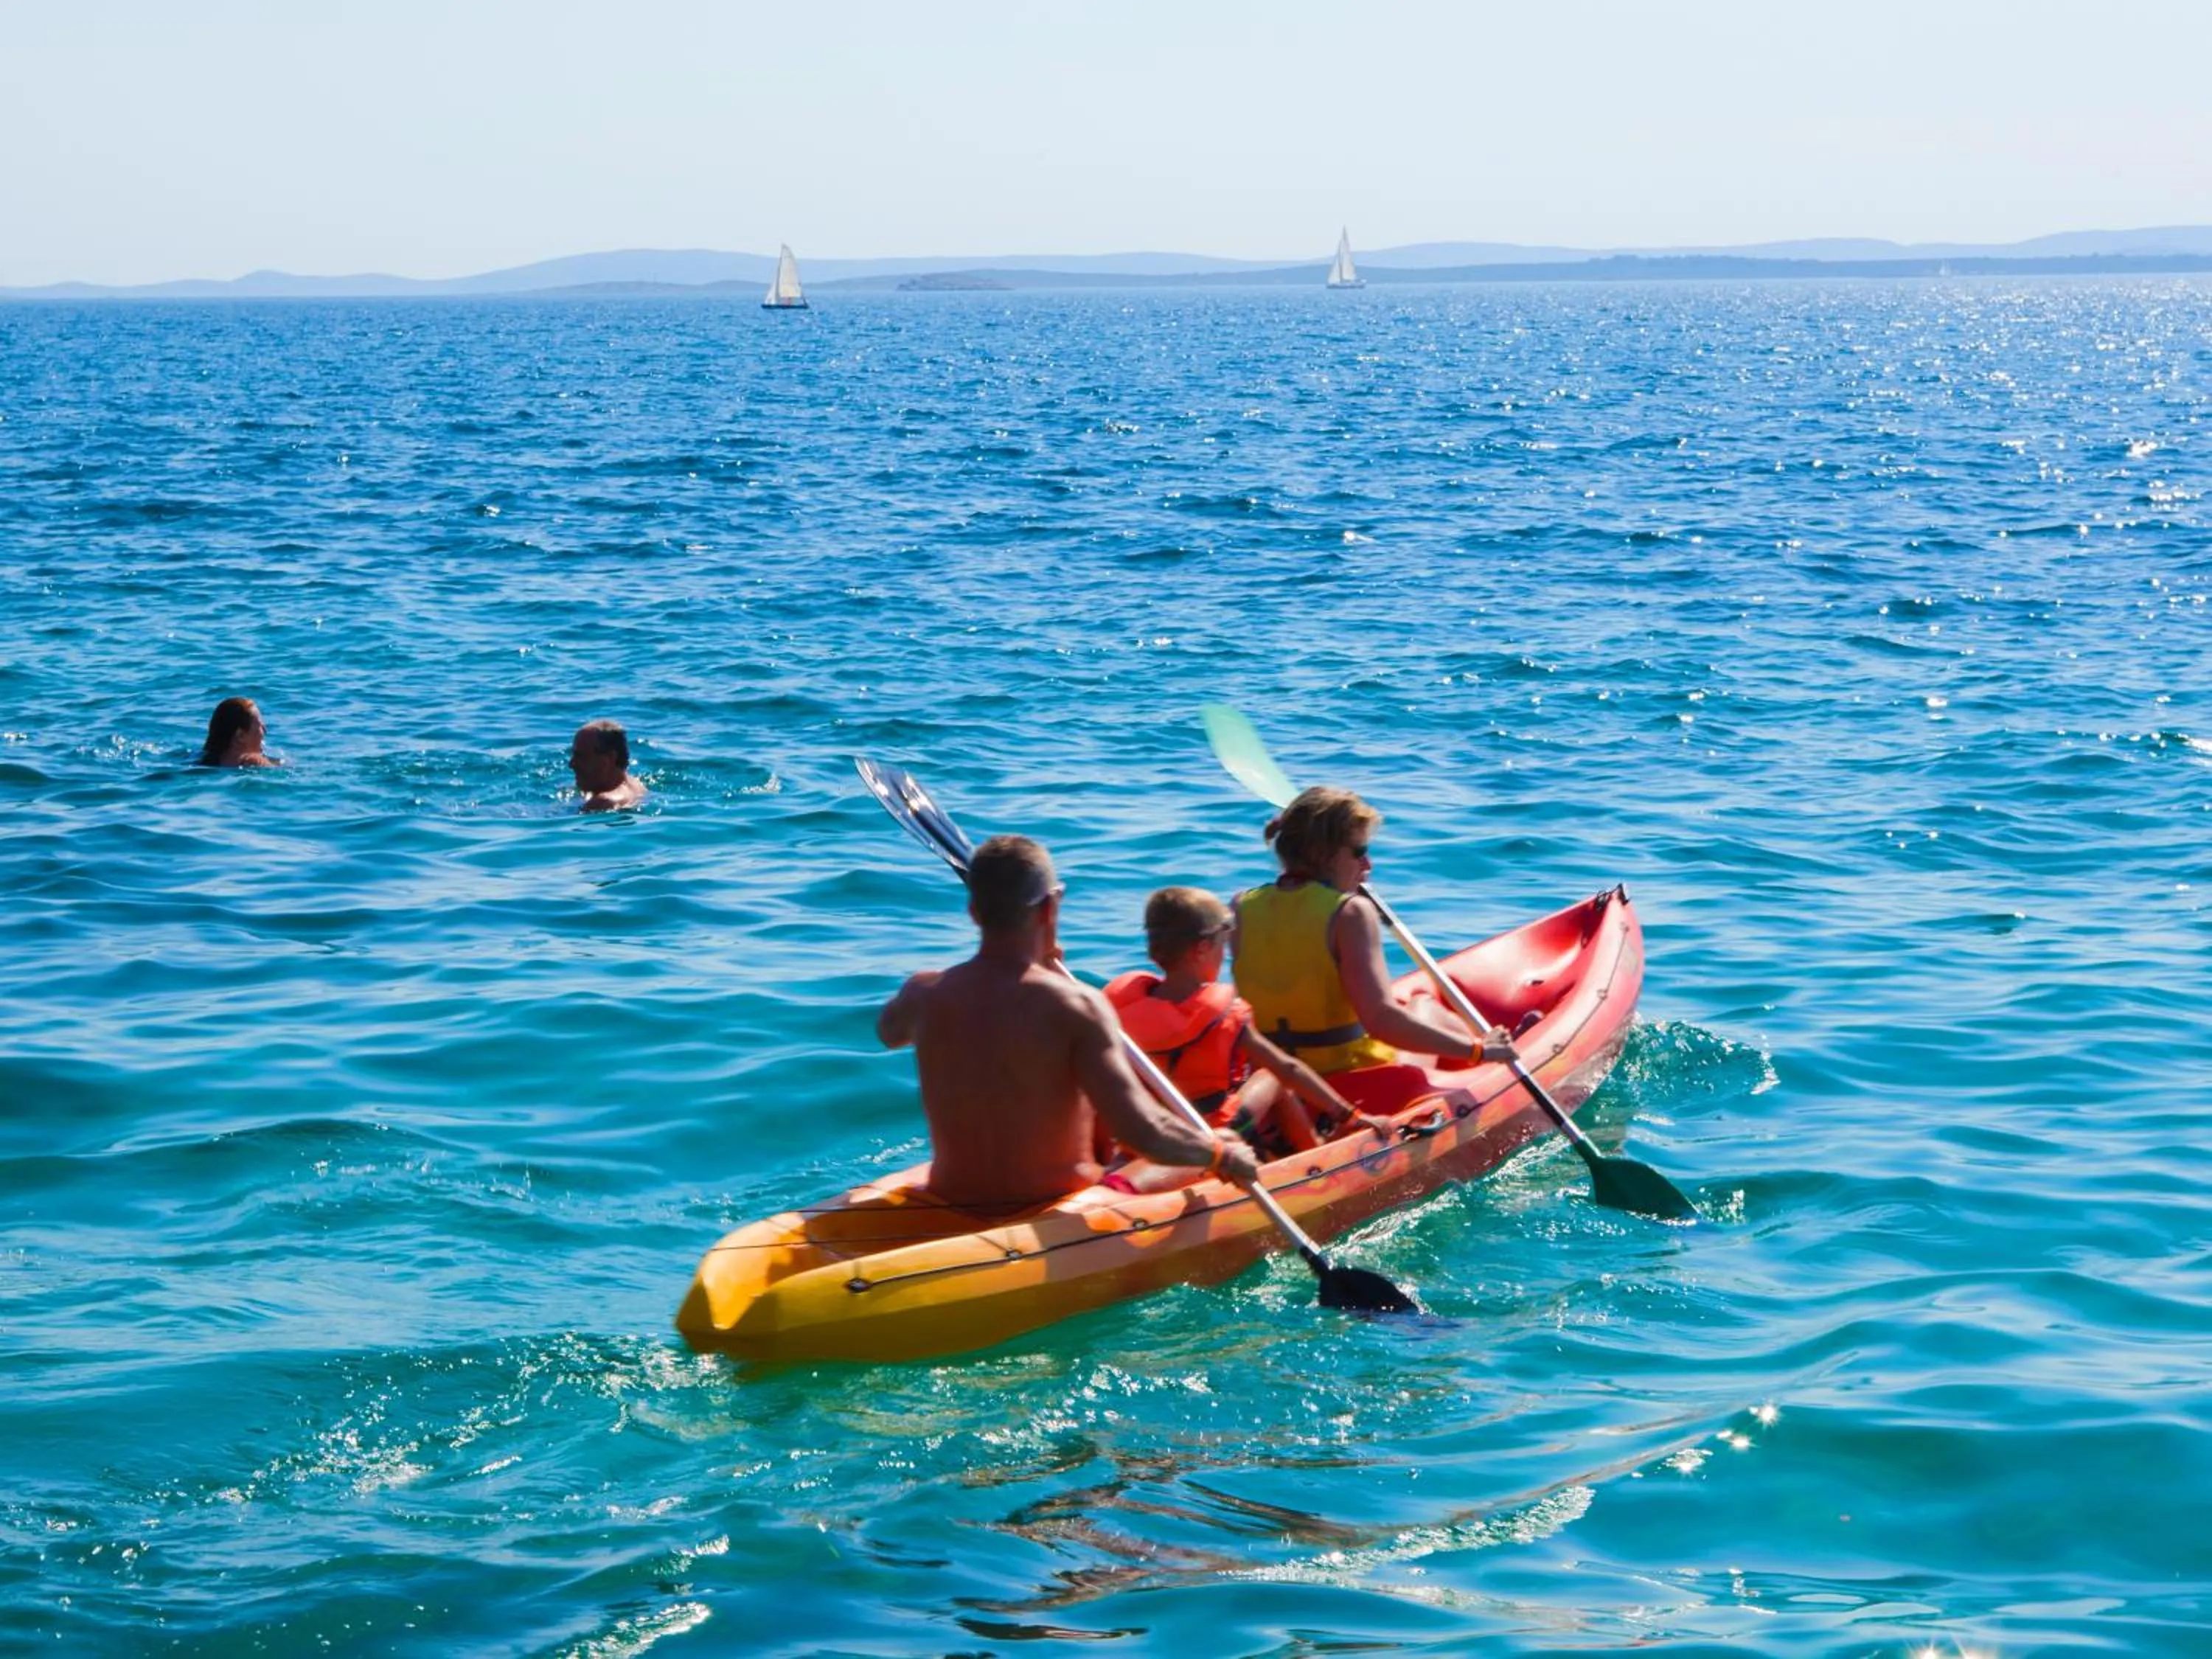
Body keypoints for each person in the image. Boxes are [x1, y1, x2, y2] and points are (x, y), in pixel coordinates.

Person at [876, 835, 1262, 1210]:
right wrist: (1220, 1154)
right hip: (1054, 1205)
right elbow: (1143, 1132)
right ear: (1050, 907)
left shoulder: (923, 993)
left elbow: (888, 1033)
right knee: (1217, 1141)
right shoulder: (1076, 1005)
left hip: (954, 1196)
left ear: (974, 911)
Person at [1233, 787, 1519, 1111]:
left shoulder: (1242, 906)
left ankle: (1486, 1050)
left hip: (1280, 1081)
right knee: (1424, 1005)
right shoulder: (1349, 912)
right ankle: (1491, 1053)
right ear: (1323, 854)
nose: (1367, 864)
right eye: (1359, 851)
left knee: (1417, 1007)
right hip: (1356, 1079)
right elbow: (1382, 1021)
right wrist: (1476, 1051)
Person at [1102, 887, 1390, 1178]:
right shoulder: (1228, 1015)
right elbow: (1287, 1068)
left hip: (1149, 1131)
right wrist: (1349, 1114)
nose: (1224, 953)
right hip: (1212, 1131)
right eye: (1222, 943)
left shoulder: (1123, 1008)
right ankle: (1314, 1156)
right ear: (1202, 949)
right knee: (1271, 1078)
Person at [569, 718, 646, 812]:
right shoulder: (636, 784)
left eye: (581, 757)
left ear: (610, 758)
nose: (572, 764)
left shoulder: (602, 803)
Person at [198, 697, 279, 768]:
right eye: (260, 726)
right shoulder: (256, 763)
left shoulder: (200, 760)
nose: (265, 731)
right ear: (241, 736)